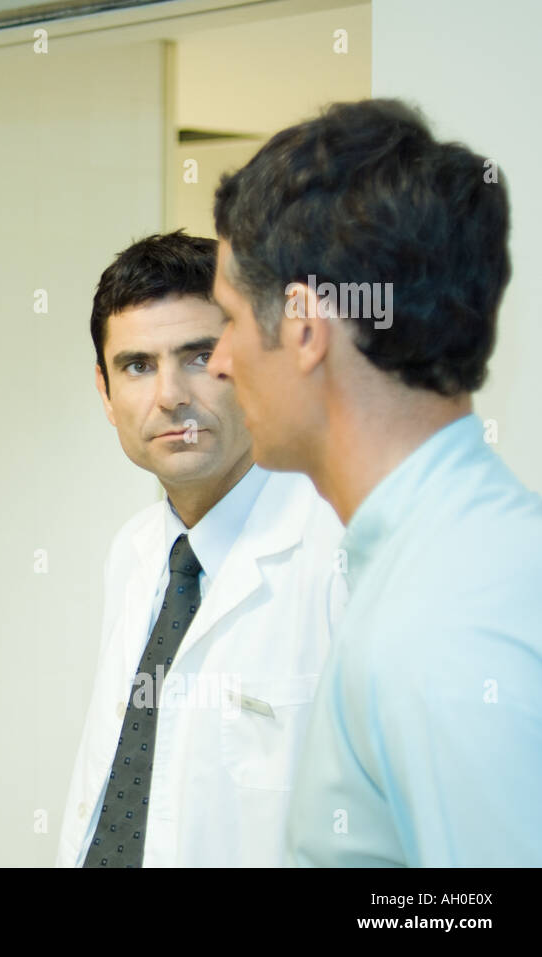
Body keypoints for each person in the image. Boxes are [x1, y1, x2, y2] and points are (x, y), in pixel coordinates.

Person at [208, 97, 542, 865]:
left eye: (228, 318)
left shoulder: (443, 625)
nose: (221, 361)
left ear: (303, 329)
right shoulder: (475, 554)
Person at [57, 230, 345, 867]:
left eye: (199, 357)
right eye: (137, 366)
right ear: (105, 394)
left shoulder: (343, 555)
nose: (170, 396)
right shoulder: (135, 553)